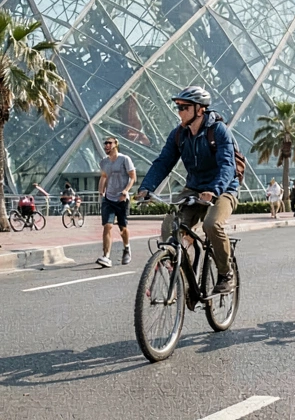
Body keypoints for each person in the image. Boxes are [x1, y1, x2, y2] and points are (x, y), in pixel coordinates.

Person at [136, 86, 240, 295]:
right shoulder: (179, 135)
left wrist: (215, 189)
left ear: (200, 110)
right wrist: (146, 187)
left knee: (212, 224)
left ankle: (225, 273)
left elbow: (228, 165)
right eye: (178, 107)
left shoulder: (218, 131)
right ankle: (183, 274)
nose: (179, 111)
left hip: (224, 189)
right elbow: (163, 162)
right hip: (193, 188)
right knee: (169, 226)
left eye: (184, 107)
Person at [96, 136, 136, 267]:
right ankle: (106, 256)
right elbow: (103, 177)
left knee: (123, 228)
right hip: (109, 198)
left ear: (115, 144)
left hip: (121, 199)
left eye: (109, 143)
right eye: (105, 143)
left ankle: (127, 248)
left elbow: (133, 177)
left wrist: (126, 190)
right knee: (107, 226)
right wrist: (101, 193)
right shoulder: (104, 162)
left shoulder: (125, 159)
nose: (106, 145)